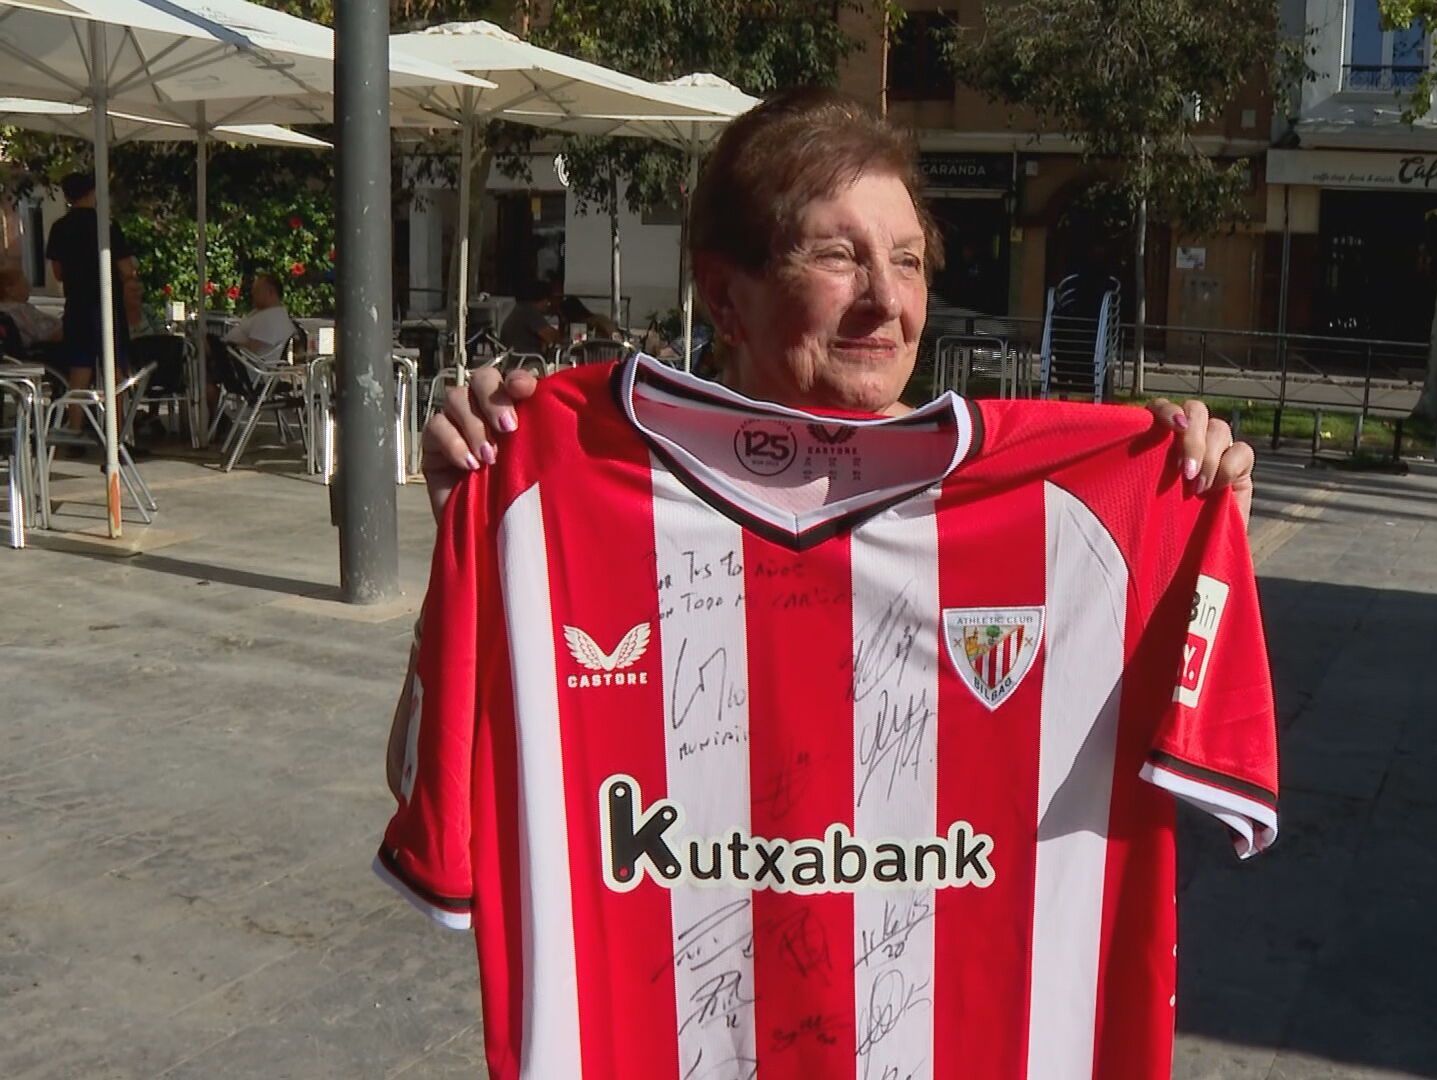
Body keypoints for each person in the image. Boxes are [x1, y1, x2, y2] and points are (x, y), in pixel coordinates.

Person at [382, 88, 1276, 1080]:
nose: (887, 302)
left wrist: (1193, 508)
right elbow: (435, 785)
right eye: (839, 255)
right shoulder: (551, 485)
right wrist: (475, 546)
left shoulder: (1089, 514)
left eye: (906, 259)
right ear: (726, 295)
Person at [45, 171, 135, 426]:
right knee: (114, 370)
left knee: (79, 370)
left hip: (77, 305)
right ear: (92, 192)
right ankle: (116, 433)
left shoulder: (59, 227)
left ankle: (75, 430)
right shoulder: (106, 225)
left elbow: (58, 272)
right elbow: (126, 268)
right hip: (106, 304)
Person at [223, 272, 298, 359]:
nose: (252, 293)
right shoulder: (268, 313)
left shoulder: (270, 318)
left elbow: (252, 348)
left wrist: (228, 345)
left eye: (257, 291)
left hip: (240, 366)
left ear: (270, 292)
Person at [0, 264, 62, 350]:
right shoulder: (18, 310)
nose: (29, 288)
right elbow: (38, 334)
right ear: (10, 290)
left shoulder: (9, 309)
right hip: (43, 347)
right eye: (25, 284)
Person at [497, 278, 562, 354]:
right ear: (544, 300)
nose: (548, 305)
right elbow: (551, 337)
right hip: (525, 360)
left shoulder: (522, 309)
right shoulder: (529, 312)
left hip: (518, 357)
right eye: (548, 301)